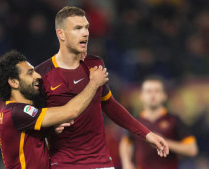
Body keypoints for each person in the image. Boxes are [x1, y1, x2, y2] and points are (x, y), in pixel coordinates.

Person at [35, 6, 169, 169]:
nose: (85, 33)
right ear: (60, 34)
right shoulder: (41, 74)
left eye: (86, 27)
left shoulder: (95, 64)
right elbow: (33, 125)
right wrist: (50, 129)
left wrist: (146, 133)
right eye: (77, 28)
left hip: (101, 163)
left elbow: (109, 104)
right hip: (64, 164)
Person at [0, 50, 109, 169]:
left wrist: (50, 131)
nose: (38, 76)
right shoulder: (16, 112)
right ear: (14, 82)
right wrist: (94, 83)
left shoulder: (14, 112)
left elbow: (30, 146)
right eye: (30, 73)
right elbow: (71, 111)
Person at [119, 76, 198, 169]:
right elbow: (126, 143)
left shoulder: (174, 120)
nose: (152, 95)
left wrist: (163, 142)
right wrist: (126, 163)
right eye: (148, 91)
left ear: (164, 96)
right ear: (141, 96)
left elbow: (192, 150)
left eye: (157, 91)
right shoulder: (135, 122)